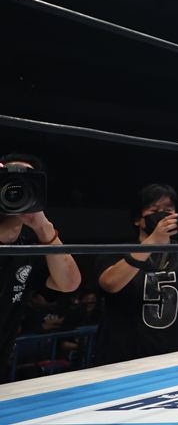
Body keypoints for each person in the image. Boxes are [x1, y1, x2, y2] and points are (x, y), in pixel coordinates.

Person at [95, 184, 178, 364]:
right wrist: (153, 241)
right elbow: (110, 283)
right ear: (138, 219)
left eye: (168, 210)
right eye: (155, 210)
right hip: (122, 359)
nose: (162, 215)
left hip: (174, 357)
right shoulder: (118, 251)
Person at [0, 154, 81, 381]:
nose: (15, 189)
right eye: (7, 180)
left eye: (25, 183)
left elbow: (68, 283)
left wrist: (43, 227)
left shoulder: (29, 248)